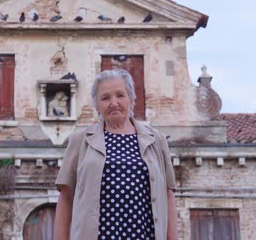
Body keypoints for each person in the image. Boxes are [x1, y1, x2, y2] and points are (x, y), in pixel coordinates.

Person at [54, 69, 177, 239]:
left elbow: (168, 195)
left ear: (132, 99)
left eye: (120, 95)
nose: (114, 103)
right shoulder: (79, 141)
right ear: (97, 105)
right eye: (105, 98)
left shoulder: (157, 140)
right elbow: (66, 197)